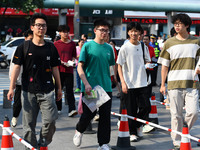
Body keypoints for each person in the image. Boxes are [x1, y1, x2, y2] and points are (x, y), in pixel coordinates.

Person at [7, 13, 62, 149]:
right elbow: (16, 68)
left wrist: (59, 88)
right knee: (28, 127)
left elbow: (55, 69)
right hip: (28, 90)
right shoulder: (23, 47)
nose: (41, 28)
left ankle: (42, 143)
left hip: (47, 91)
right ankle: (30, 147)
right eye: (38, 25)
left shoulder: (51, 47)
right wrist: (11, 87)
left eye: (43, 25)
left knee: (50, 121)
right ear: (32, 27)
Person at [158, 13, 200, 150]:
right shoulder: (169, 42)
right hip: (174, 83)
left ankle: (183, 133)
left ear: (187, 25)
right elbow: (164, 65)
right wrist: (162, 84)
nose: (177, 26)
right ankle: (177, 141)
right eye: (175, 23)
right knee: (176, 115)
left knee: (193, 112)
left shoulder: (196, 42)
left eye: (180, 23)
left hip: (192, 83)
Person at [73, 19, 115, 150]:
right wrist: (85, 83)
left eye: (107, 30)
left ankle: (103, 143)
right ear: (95, 30)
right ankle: (79, 130)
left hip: (106, 87)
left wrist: (116, 82)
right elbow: (80, 67)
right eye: (102, 30)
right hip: (91, 87)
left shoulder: (109, 48)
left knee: (105, 117)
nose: (105, 33)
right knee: (88, 115)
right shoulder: (87, 46)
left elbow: (111, 67)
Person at [117, 22, 151, 142]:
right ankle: (132, 132)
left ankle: (136, 125)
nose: (134, 33)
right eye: (131, 31)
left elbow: (147, 60)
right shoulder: (124, 48)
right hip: (129, 83)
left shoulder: (143, 46)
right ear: (128, 32)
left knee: (146, 107)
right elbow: (119, 66)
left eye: (136, 31)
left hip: (143, 82)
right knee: (131, 109)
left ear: (140, 33)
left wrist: (148, 65)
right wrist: (123, 82)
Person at [9, 29, 33, 128]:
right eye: (30, 38)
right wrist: (13, 81)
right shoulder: (20, 48)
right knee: (18, 102)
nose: (32, 41)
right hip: (20, 81)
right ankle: (15, 117)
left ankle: (29, 125)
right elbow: (14, 66)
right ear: (25, 38)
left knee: (31, 104)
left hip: (32, 82)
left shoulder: (36, 49)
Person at [54, 25, 78, 116]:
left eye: (67, 32)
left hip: (69, 70)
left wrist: (72, 61)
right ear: (59, 33)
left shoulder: (72, 44)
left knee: (69, 90)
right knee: (58, 89)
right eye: (63, 32)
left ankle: (72, 109)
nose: (65, 34)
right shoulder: (56, 44)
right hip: (58, 70)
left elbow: (74, 55)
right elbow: (54, 57)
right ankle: (58, 108)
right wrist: (61, 62)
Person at [142, 34, 157, 133]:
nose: (146, 41)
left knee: (147, 97)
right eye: (145, 39)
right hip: (140, 75)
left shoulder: (151, 48)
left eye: (147, 39)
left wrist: (154, 62)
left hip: (149, 72)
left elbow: (153, 59)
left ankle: (145, 121)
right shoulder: (139, 48)